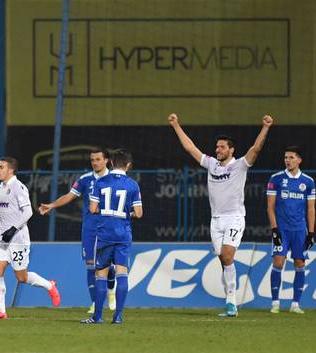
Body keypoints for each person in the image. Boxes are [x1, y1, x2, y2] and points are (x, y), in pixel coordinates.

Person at [168, 113, 273, 317]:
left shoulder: (240, 165)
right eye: (217, 147)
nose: (218, 150)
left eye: (222, 147)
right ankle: (230, 301)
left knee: (227, 255)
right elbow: (190, 148)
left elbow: (256, 149)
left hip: (234, 217)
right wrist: (176, 125)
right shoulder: (211, 164)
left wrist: (265, 128)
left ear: (231, 150)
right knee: (224, 261)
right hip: (215, 220)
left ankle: (231, 302)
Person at [39, 148, 116, 314]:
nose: (95, 162)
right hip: (90, 228)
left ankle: (111, 290)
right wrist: (51, 205)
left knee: (108, 266)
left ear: (106, 160)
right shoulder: (85, 179)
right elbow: (69, 196)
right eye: (92, 160)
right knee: (90, 265)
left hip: (110, 227)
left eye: (98, 159)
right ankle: (96, 303)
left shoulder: (115, 179)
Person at [0, 157, 61, 319]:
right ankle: (1, 310)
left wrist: (13, 229)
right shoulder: (0, 187)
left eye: (1, 167)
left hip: (18, 239)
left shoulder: (19, 187)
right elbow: (5, 210)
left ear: (11, 170)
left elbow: (28, 212)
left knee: (21, 277)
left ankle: (49, 285)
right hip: (1, 238)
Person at [81, 149, 143, 325]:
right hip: (123, 234)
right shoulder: (133, 185)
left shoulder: (100, 182)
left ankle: (98, 316)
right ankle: (118, 316)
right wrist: (124, 212)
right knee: (122, 273)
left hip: (104, 233)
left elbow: (92, 209)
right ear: (128, 165)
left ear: (111, 163)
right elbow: (139, 212)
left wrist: (106, 212)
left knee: (101, 274)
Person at [266, 146, 315, 314]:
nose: (287, 160)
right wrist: (274, 229)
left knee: (300, 263)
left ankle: (295, 304)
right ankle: (275, 303)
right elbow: (270, 206)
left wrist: (311, 232)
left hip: (300, 231)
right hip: (282, 230)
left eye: (291, 157)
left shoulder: (308, 182)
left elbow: (311, 209)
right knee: (278, 261)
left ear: (299, 160)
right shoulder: (276, 179)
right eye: (286, 157)